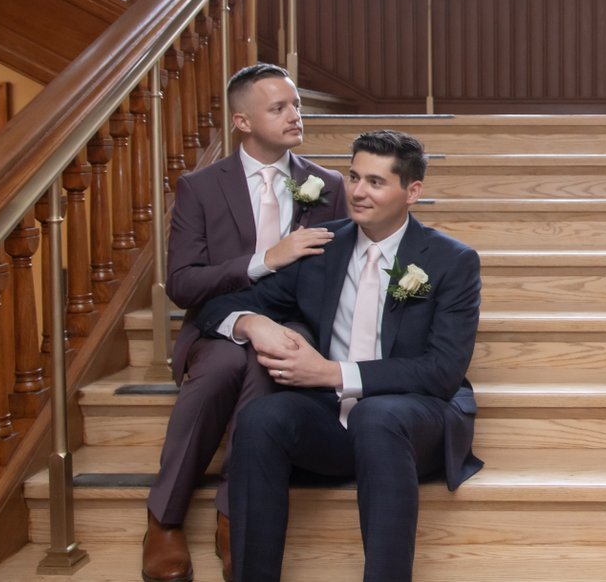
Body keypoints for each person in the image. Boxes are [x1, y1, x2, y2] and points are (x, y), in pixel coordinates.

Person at [198, 129, 483, 582]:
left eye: (374, 182)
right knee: (259, 418)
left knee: (378, 417)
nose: (356, 191)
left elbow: (442, 372)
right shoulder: (321, 247)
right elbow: (216, 305)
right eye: (353, 177)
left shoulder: (452, 260)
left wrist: (331, 372)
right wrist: (252, 323)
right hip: (332, 422)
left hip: (415, 423)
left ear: (412, 192)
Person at [142, 63, 347, 582]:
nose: (294, 115)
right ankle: (163, 518)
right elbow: (184, 284)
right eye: (278, 108)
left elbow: (336, 279)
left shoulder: (326, 185)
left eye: (296, 103)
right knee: (218, 369)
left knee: (268, 366)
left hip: (295, 325)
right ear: (242, 121)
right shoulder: (201, 188)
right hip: (217, 324)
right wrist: (265, 260)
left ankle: (237, 515)